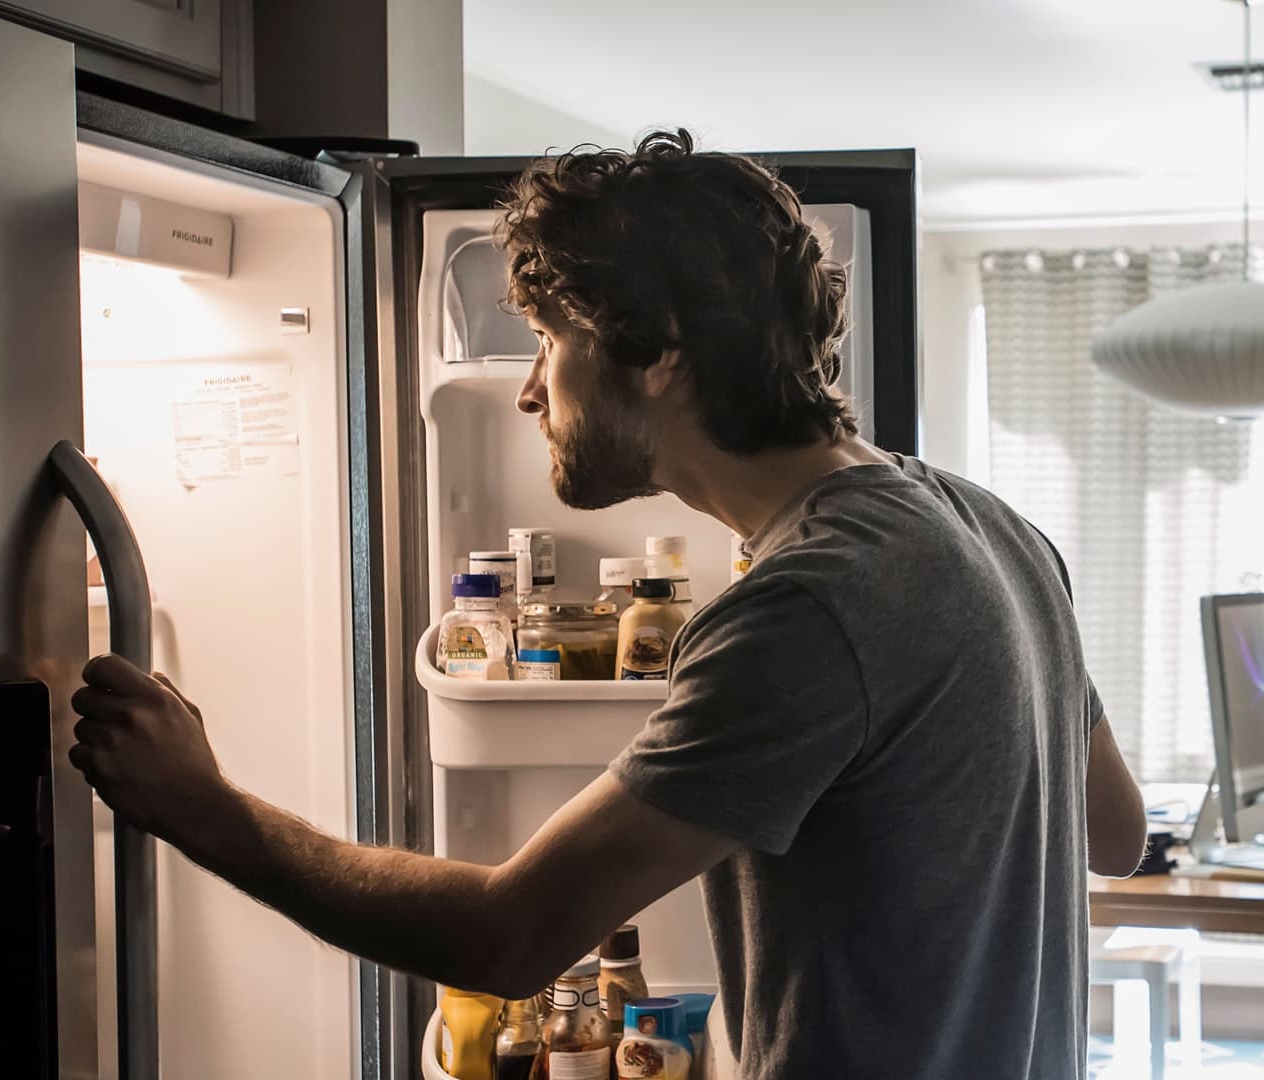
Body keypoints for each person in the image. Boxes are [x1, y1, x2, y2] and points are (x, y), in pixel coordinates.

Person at [67, 129, 1147, 1079]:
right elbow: (1115, 832)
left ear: (654, 348)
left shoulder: (805, 607)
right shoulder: (989, 524)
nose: (533, 390)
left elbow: (511, 936)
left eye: (549, 341)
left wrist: (199, 804)